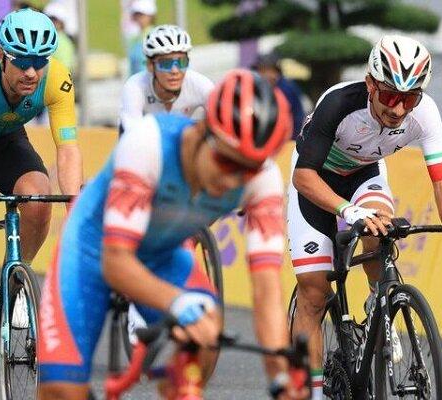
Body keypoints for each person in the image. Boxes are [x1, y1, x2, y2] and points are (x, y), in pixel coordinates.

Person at [37, 69, 307, 400]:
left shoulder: (263, 180)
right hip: (92, 249)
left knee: (206, 333)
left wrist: (280, 377)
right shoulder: (148, 143)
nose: (233, 180)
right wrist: (176, 301)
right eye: (226, 162)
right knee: (62, 389)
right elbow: (115, 261)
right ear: (203, 130)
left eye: (248, 169)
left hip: (160, 254)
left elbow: (267, 288)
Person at [287, 34, 442, 399]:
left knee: (381, 227)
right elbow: (303, 177)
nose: (399, 109)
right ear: (371, 84)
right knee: (313, 291)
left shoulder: (425, 113)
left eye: (410, 98)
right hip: (315, 179)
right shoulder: (339, 103)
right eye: (390, 96)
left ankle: (380, 300)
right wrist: (347, 209)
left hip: (364, 174)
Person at [0, 8, 82, 264]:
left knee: (38, 201)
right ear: (1, 56)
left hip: (7, 141)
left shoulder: (56, 78)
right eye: (22, 62)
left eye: (40, 61)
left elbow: (68, 149)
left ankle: (16, 278)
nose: (31, 73)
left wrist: (74, 210)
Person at [119, 24, 214, 134]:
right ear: (150, 65)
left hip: (183, 137)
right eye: (166, 63)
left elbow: (222, 126)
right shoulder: (135, 86)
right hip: (146, 137)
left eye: (182, 62)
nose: (175, 71)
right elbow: (131, 133)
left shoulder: (201, 85)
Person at [253, 52, 306, 140]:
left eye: (272, 71)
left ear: (278, 72)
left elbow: (298, 116)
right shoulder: (253, 88)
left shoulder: (288, 88)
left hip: (285, 139)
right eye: (263, 70)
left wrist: (292, 139)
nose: (268, 75)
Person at [44, 2, 76, 72]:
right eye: (49, 18)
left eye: (54, 19)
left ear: (61, 22)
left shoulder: (60, 40)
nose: (51, 22)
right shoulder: (62, 38)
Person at [126, 0, 156, 76]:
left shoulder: (155, 35)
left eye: (141, 15)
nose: (138, 18)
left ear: (150, 16)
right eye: (136, 15)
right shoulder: (135, 37)